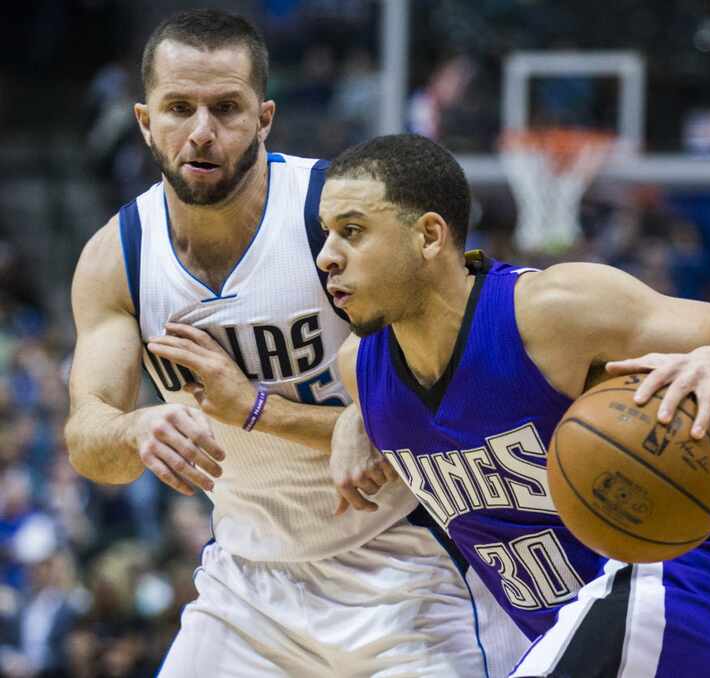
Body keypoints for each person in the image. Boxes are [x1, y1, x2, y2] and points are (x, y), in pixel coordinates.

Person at [65, 11, 527, 677]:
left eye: (226, 108)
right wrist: (135, 430)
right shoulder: (117, 257)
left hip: (409, 569)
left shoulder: (337, 217)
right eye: (178, 108)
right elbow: (87, 438)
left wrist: (266, 410)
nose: (201, 131)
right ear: (144, 122)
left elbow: (443, 423)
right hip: (248, 584)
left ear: (265, 118)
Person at [317, 133, 710, 678]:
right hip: (589, 634)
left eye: (353, 232)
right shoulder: (359, 370)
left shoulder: (551, 312)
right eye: (326, 235)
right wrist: (350, 419)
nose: (326, 257)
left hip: (687, 594)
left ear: (430, 236)